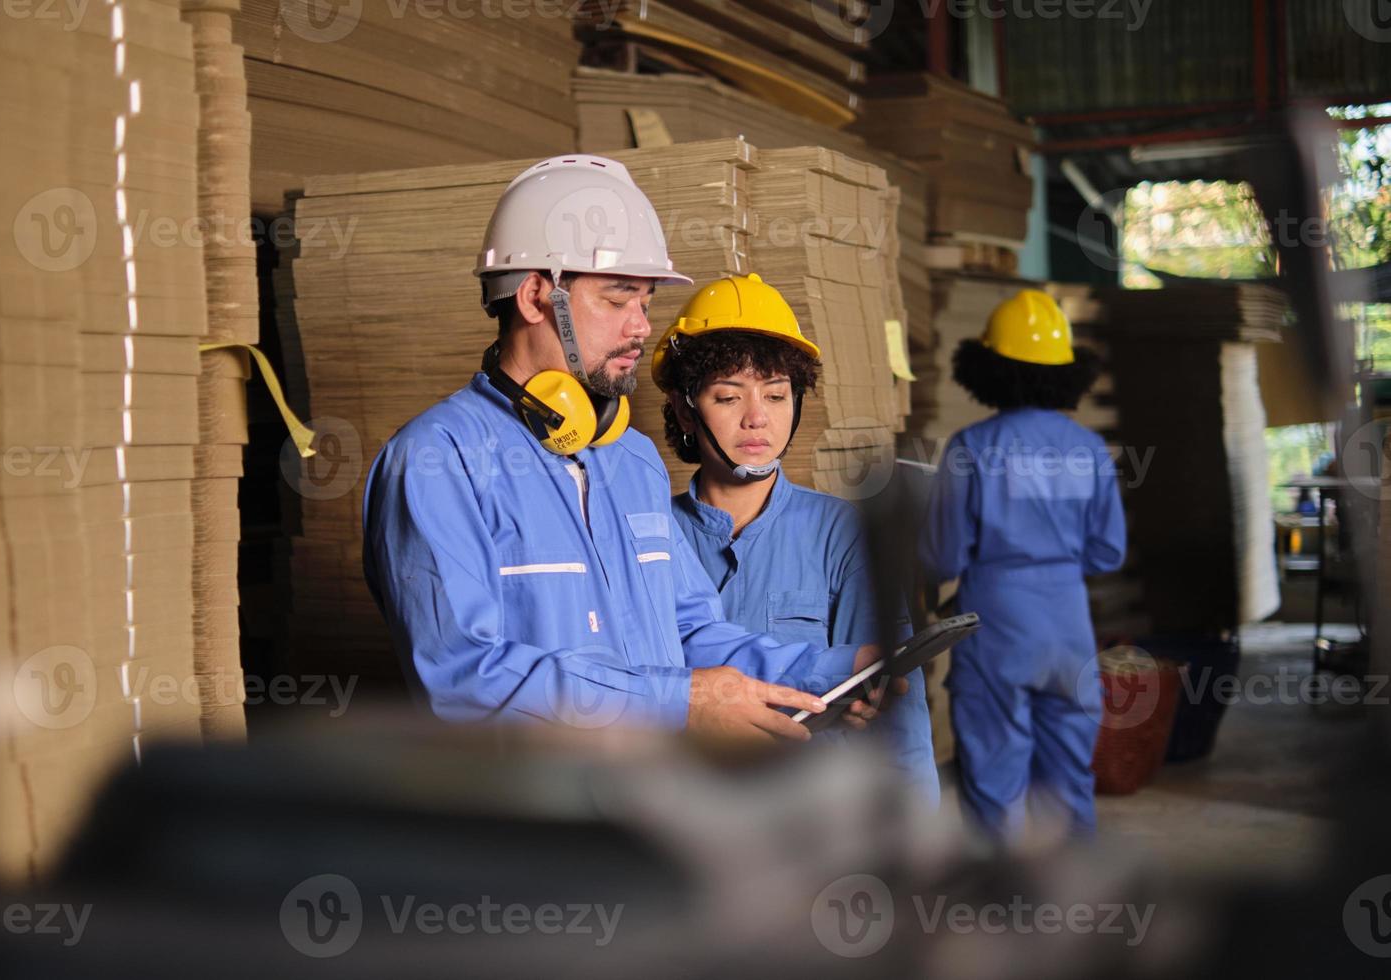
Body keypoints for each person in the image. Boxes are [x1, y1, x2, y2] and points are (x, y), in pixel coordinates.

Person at [361, 155, 883, 740]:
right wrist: (677, 703)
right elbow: (462, 680)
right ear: (536, 296)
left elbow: (687, 632)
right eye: (618, 299)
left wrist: (833, 669)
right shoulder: (439, 460)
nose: (641, 327)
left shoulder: (630, 461)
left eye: (646, 301)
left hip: (647, 806)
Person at [653, 273, 941, 805]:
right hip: (680, 813)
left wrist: (918, 831)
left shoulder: (841, 534)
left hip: (808, 817)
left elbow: (896, 698)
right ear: (683, 408)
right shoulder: (646, 536)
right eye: (727, 396)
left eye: (777, 394)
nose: (758, 417)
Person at [919, 288, 1127, 839]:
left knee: (992, 777)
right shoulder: (1088, 449)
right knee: (1068, 779)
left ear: (990, 367)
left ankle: (1003, 903)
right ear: (1067, 372)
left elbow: (942, 556)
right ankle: (1079, 899)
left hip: (996, 626)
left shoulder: (970, 447)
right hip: (1069, 629)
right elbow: (1109, 551)